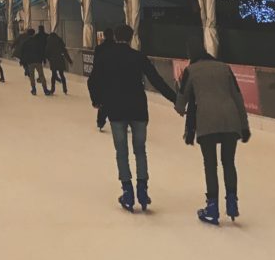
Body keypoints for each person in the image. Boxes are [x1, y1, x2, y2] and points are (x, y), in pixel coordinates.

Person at [88, 24, 177, 212]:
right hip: (138, 109)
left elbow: (93, 80)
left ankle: (127, 191)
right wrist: (175, 99)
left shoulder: (105, 57)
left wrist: (97, 100)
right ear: (130, 38)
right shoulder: (138, 57)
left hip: (116, 109)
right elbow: (157, 80)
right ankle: (143, 190)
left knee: (121, 151)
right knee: (140, 150)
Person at [176, 47, 251, 225]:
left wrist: (179, 88)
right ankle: (232, 202)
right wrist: (244, 126)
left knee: (210, 164)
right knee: (229, 162)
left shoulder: (190, 71)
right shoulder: (224, 67)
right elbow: (238, 97)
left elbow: (181, 103)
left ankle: (212, 207)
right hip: (230, 119)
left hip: (207, 121)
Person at [93, 28, 115, 131]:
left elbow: (96, 64)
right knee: (118, 99)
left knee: (103, 101)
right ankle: (120, 120)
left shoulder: (99, 48)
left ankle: (100, 122)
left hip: (103, 78)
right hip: (115, 77)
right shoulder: (117, 47)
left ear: (104, 36)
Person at [19, 27, 49, 96]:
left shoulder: (25, 42)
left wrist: (22, 61)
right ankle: (45, 90)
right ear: (34, 33)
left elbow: (23, 52)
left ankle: (34, 89)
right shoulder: (38, 42)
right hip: (38, 61)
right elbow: (42, 51)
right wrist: (43, 59)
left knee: (32, 76)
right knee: (41, 75)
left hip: (30, 62)